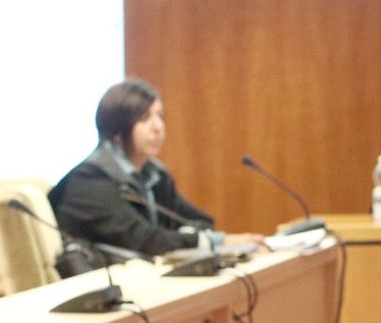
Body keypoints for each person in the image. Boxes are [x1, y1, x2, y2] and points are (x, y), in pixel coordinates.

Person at [50, 78, 265, 257]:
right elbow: (144, 240)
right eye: (144, 119)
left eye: (160, 116)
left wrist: (197, 238)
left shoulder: (153, 175)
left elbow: (201, 220)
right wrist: (217, 242)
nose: (158, 127)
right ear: (116, 129)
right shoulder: (89, 182)